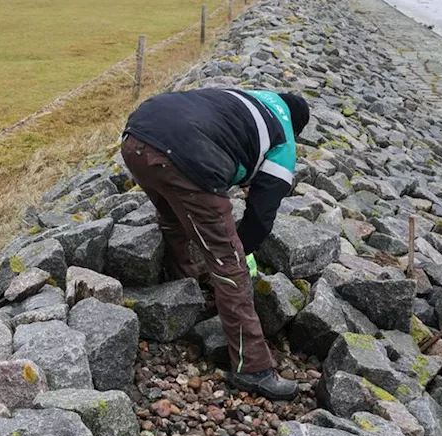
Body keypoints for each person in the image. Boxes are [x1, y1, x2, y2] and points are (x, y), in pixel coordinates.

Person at [120, 87, 310, 400]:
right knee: (228, 263)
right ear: (296, 127)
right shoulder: (284, 139)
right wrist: (238, 252)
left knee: (174, 216)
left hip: (137, 136)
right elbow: (261, 218)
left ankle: (185, 289)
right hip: (182, 154)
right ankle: (253, 367)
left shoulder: (250, 97)